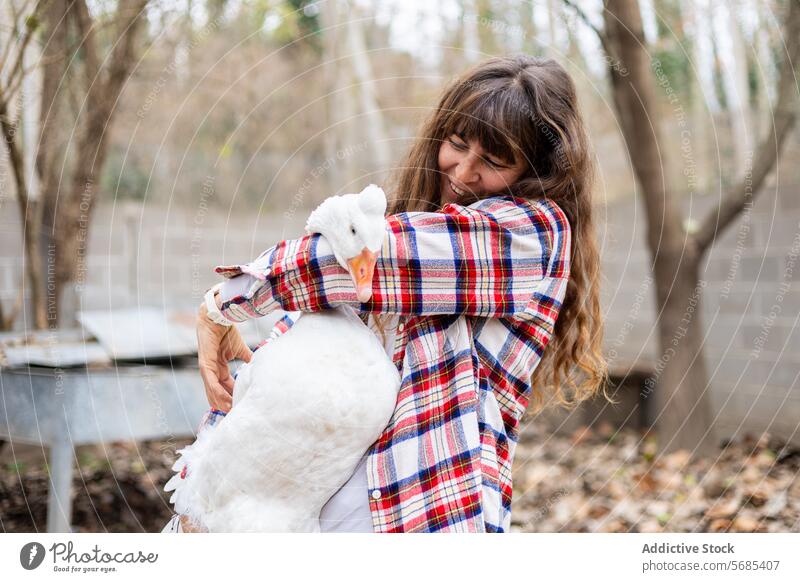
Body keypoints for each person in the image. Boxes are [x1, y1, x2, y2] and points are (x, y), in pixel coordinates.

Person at [168, 54, 606, 533]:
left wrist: (223, 305)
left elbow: (361, 262)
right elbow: (282, 369)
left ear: (535, 171)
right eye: (457, 144)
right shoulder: (401, 225)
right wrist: (205, 491)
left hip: (422, 520)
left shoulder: (530, 237)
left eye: (495, 161)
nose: (462, 170)